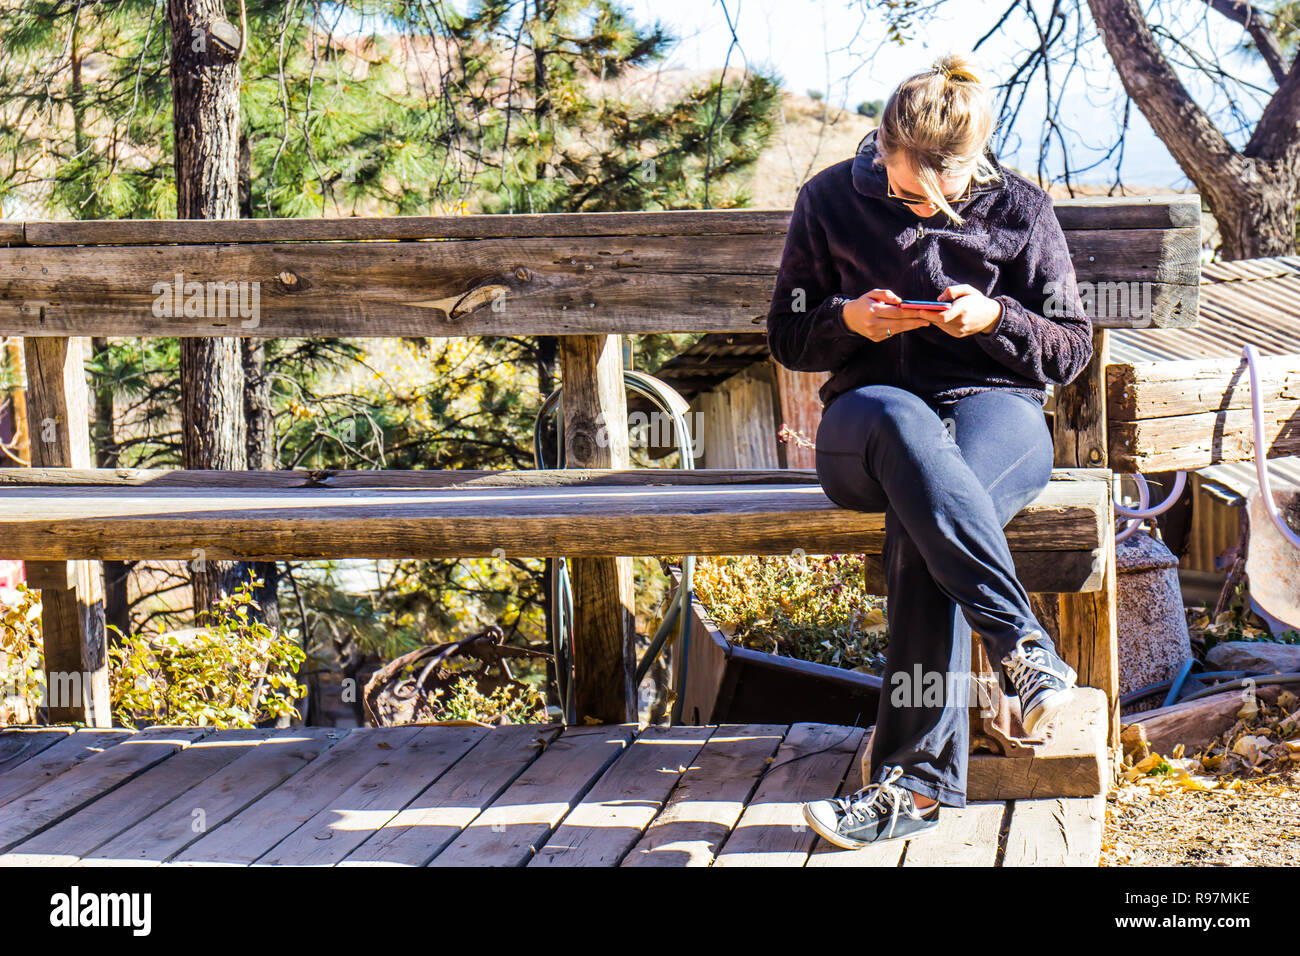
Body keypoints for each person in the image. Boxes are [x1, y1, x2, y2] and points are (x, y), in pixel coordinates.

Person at [765, 52, 1095, 849]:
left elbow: (1069, 348)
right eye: (896, 181)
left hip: (996, 415)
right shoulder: (830, 201)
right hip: (867, 424)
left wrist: (995, 322)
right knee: (911, 441)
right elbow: (785, 335)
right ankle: (1023, 647)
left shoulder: (1020, 208)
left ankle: (910, 788)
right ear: (880, 144)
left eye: (925, 196)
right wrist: (848, 321)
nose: (904, 200)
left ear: (967, 171)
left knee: (930, 514)